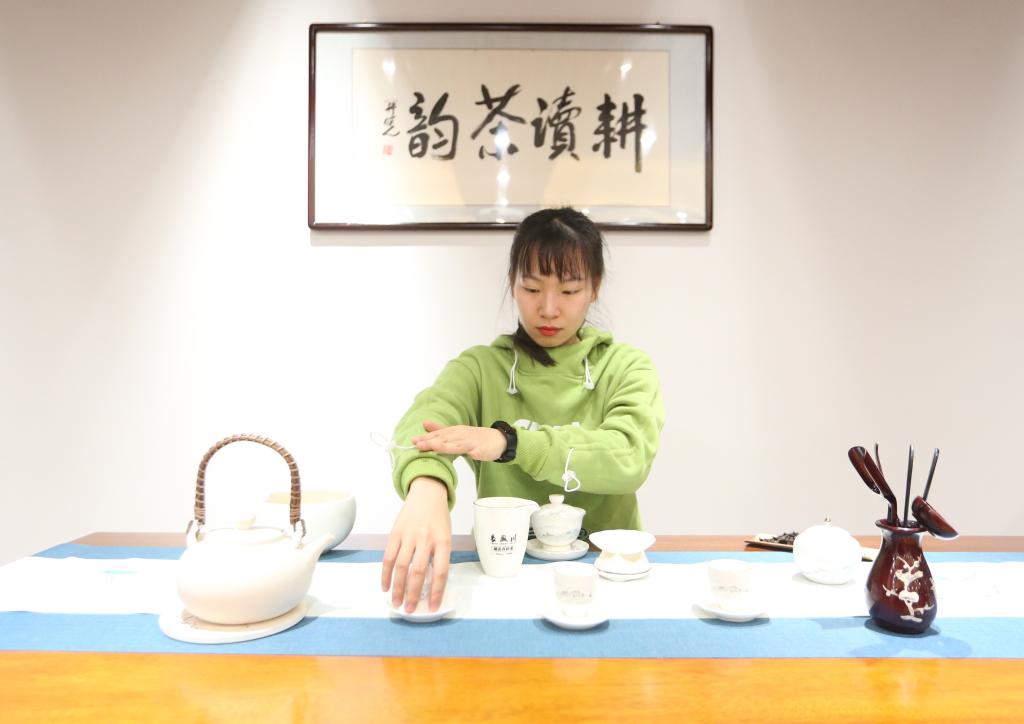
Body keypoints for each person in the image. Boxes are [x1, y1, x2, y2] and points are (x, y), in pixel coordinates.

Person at [380, 207, 665, 613]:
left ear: (595, 288)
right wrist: (427, 486)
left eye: (569, 291)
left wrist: (510, 442)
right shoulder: (481, 368)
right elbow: (424, 421)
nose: (548, 309)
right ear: (513, 284)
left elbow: (628, 457)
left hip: (607, 576)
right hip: (503, 575)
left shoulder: (625, 367)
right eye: (532, 288)